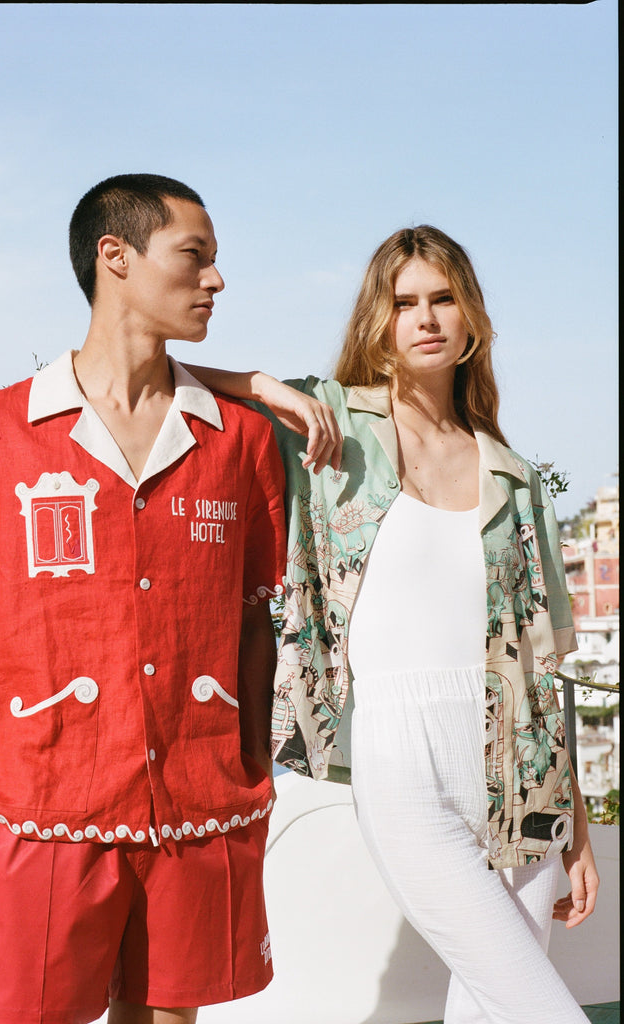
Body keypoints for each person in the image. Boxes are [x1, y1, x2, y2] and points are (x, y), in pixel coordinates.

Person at [186, 224, 599, 1024]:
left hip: (526, 770)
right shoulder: (332, 428)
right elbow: (147, 373)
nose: (426, 318)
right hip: (401, 758)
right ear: (379, 320)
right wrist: (268, 386)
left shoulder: (512, 476)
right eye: (404, 302)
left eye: (443, 298)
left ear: (471, 315)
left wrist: (575, 820)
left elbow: (546, 664)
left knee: (491, 1011)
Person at [0, 173, 287, 1024]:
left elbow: (255, 619)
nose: (216, 281)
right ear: (115, 256)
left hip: (197, 804)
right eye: (195, 257)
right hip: (41, 806)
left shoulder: (243, 442)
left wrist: (250, 764)